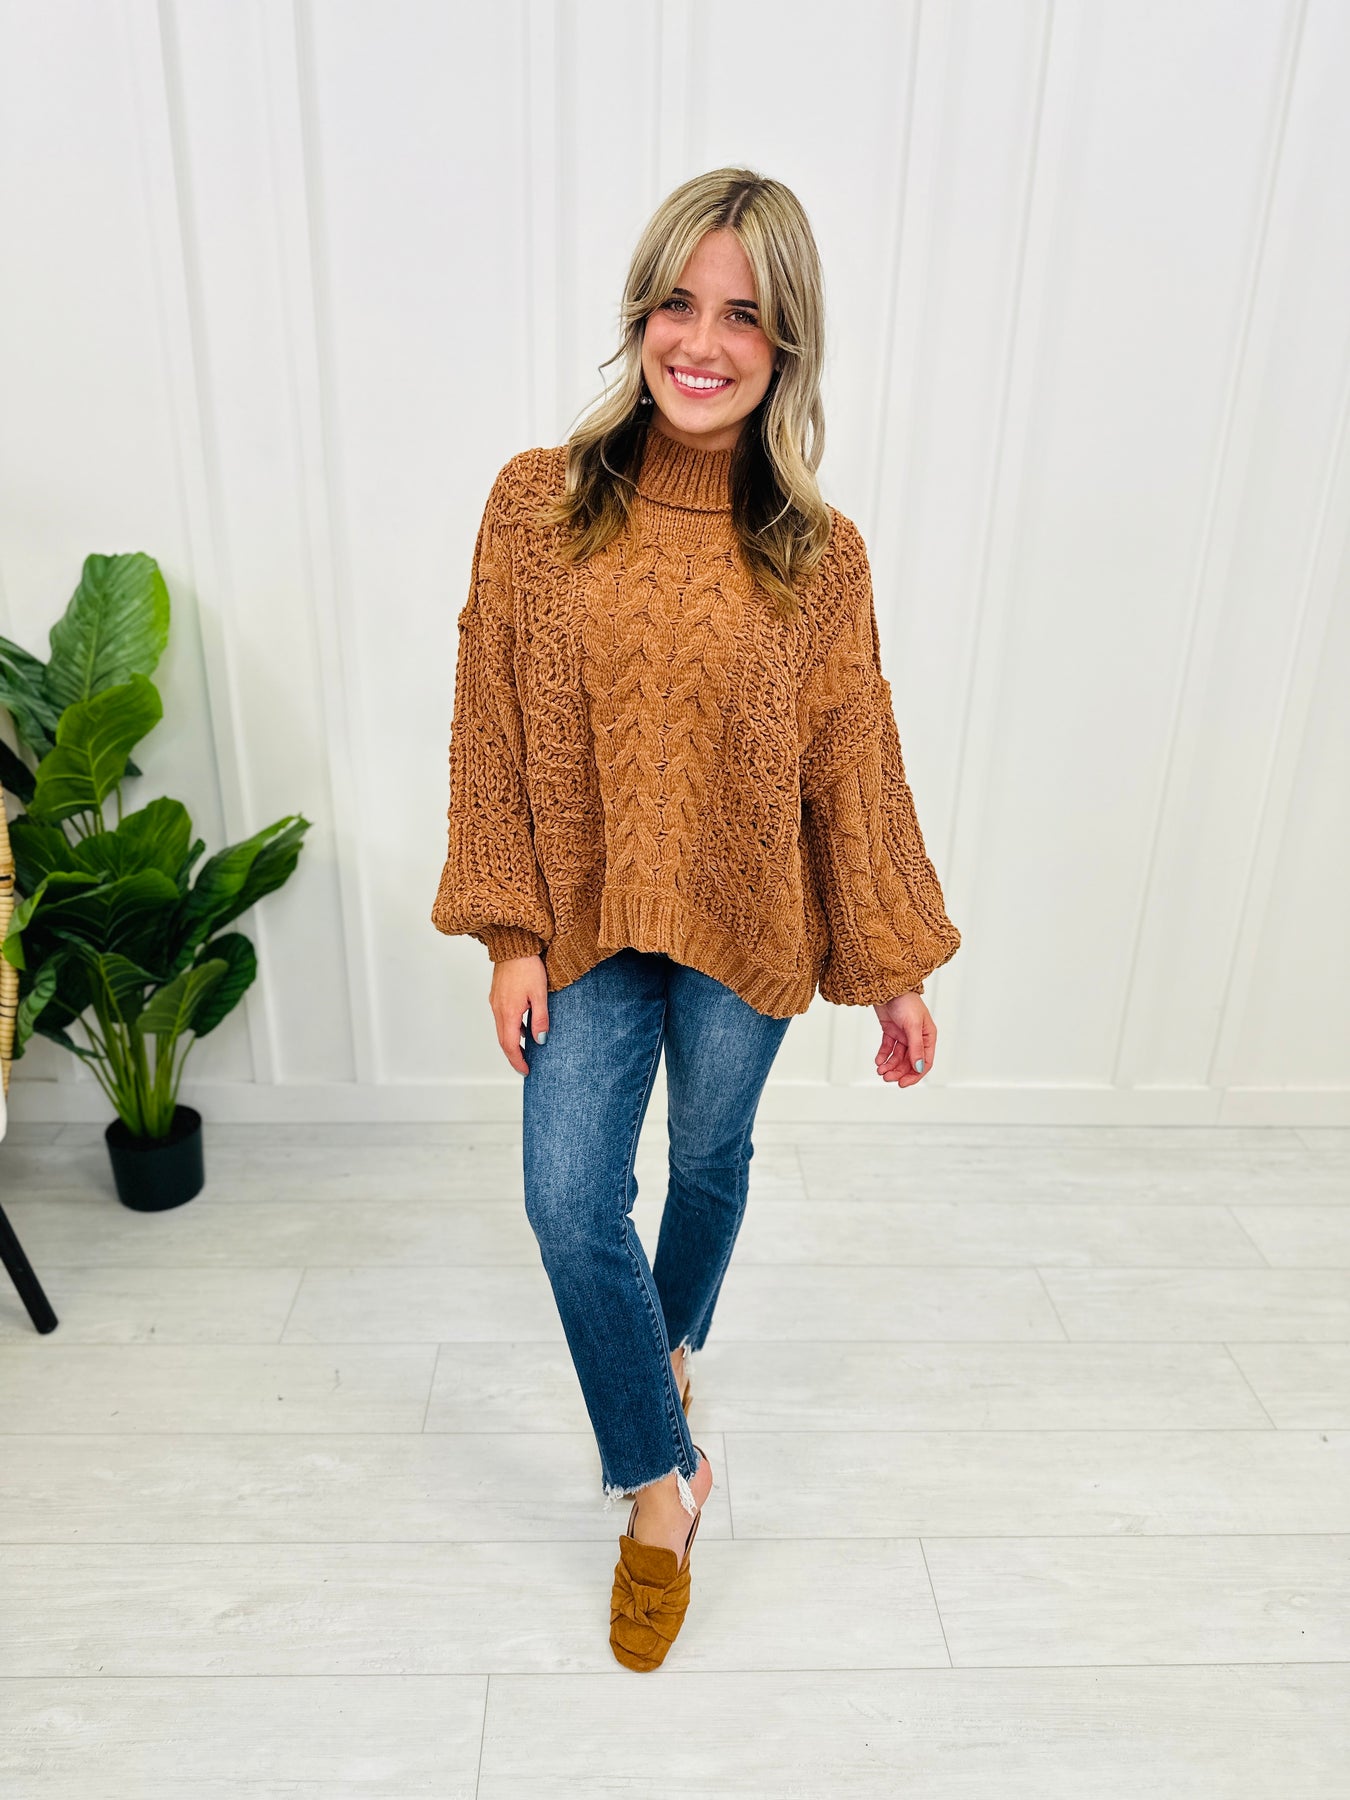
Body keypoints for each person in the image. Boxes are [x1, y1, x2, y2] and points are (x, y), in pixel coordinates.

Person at [429, 167, 962, 1671]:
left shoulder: (819, 553)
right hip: (583, 920)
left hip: (749, 923)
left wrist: (894, 968)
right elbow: (486, 724)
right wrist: (510, 935)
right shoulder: (535, 505)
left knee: (711, 1163)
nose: (703, 341)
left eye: (743, 314)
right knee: (567, 1200)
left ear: (785, 347)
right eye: (679, 302)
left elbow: (851, 759)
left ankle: (663, 1359)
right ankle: (663, 1486)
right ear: (640, 313)